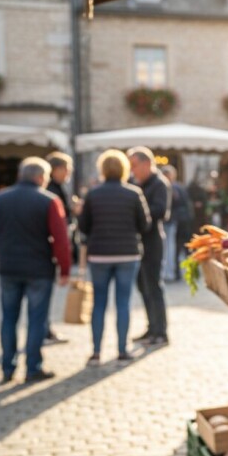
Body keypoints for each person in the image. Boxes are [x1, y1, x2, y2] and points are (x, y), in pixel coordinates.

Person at [0, 157, 71, 384]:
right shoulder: (49, 200)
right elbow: (61, 240)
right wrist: (65, 268)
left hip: (9, 267)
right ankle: (33, 367)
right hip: (39, 268)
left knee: (9, 318)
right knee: (37, 320)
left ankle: (7, 367)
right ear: (41, 177)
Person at [78, 150, 151, 366]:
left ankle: (96, 352)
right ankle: (122, 350)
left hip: (99, 254)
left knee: (99, 303)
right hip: (127, 253)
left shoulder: (93, 194)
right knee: (123, 303)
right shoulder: (133, 193)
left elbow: (83, 226)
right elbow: (144, 224)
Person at [127, 146, 172, 346]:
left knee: (153, 286)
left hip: (152, 241)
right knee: (142, 286)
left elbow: (161, 211)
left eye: (134, 165)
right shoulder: (133, 182)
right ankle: (151, 327)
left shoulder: (159, 183)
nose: (132, 170)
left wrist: (137, 213)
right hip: (137, 242)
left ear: (147, 164)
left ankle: (160, 332)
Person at [43, 151, 75, 345]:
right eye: (67, 169)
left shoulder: (57, 188)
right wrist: (65, 267)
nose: (69, 173)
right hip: (46, 251)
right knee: (41, 296)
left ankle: (43, 331)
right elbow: (59, 228)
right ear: (57, 169)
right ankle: (43, 332)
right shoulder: (51, 191)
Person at [160, 165, 191, 282]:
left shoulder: (172, 188)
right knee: (172, 247)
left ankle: (170, 272)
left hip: (172, 221)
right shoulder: (179, 187)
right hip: (176, 221)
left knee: (170, 247)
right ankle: (172, 272)